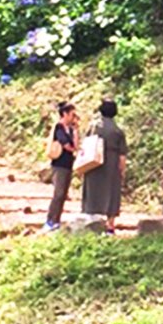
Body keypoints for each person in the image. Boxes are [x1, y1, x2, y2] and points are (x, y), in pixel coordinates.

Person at [81, 99, 128, 235]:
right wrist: (122, 170)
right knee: (112, 192)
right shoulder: (118, 131)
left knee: (92, 189)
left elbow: (85, 145)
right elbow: (122, 155)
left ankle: (91, 222)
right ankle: (110, 225)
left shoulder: (93, 127)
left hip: (93, 160)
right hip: (112, 163)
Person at [44, 102, 78, 231]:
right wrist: (72, 148)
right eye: (72, 114)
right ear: (65, 114)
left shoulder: (70, 129)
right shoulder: (59, 127)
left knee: (63, 194)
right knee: (58, 193)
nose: (74, 117)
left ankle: (56, 220)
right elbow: (67, 145)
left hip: (68, 164)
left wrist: (75, 131)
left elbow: (75, 145)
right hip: (59, 165)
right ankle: (50, 220)